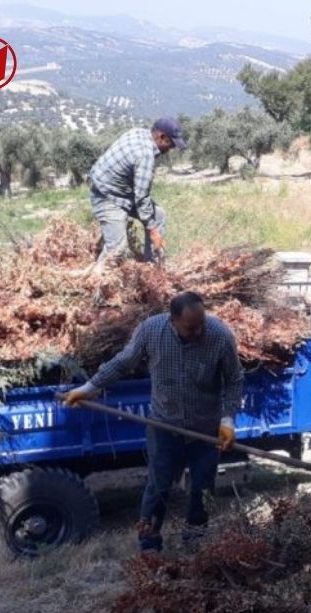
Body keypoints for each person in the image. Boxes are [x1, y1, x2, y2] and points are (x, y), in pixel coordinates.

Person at [62, 292, 243, 551]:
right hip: (163, 426)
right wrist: (90, 387)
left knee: (202, 489)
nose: (199, 331)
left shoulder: (218, 336)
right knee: (157, 486)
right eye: (191, 327)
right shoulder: (152, 331)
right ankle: (149, 543)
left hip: (206, 428)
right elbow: (123, 363)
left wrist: (228, 420)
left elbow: (234, 379)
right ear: (173, 321)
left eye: (201, 323)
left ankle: (195, 541)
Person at [87, 117, 186, 262]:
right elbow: (141, 197)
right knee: (117, 249)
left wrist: (151, 225)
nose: (171, 149)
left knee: (158, 215)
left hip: (120, 191)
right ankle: (95, 281)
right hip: (105, 196)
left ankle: (152, 268)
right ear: (162, 137)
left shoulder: (139, 132)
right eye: (171, 144)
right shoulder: (145, 154)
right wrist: (152, 231)